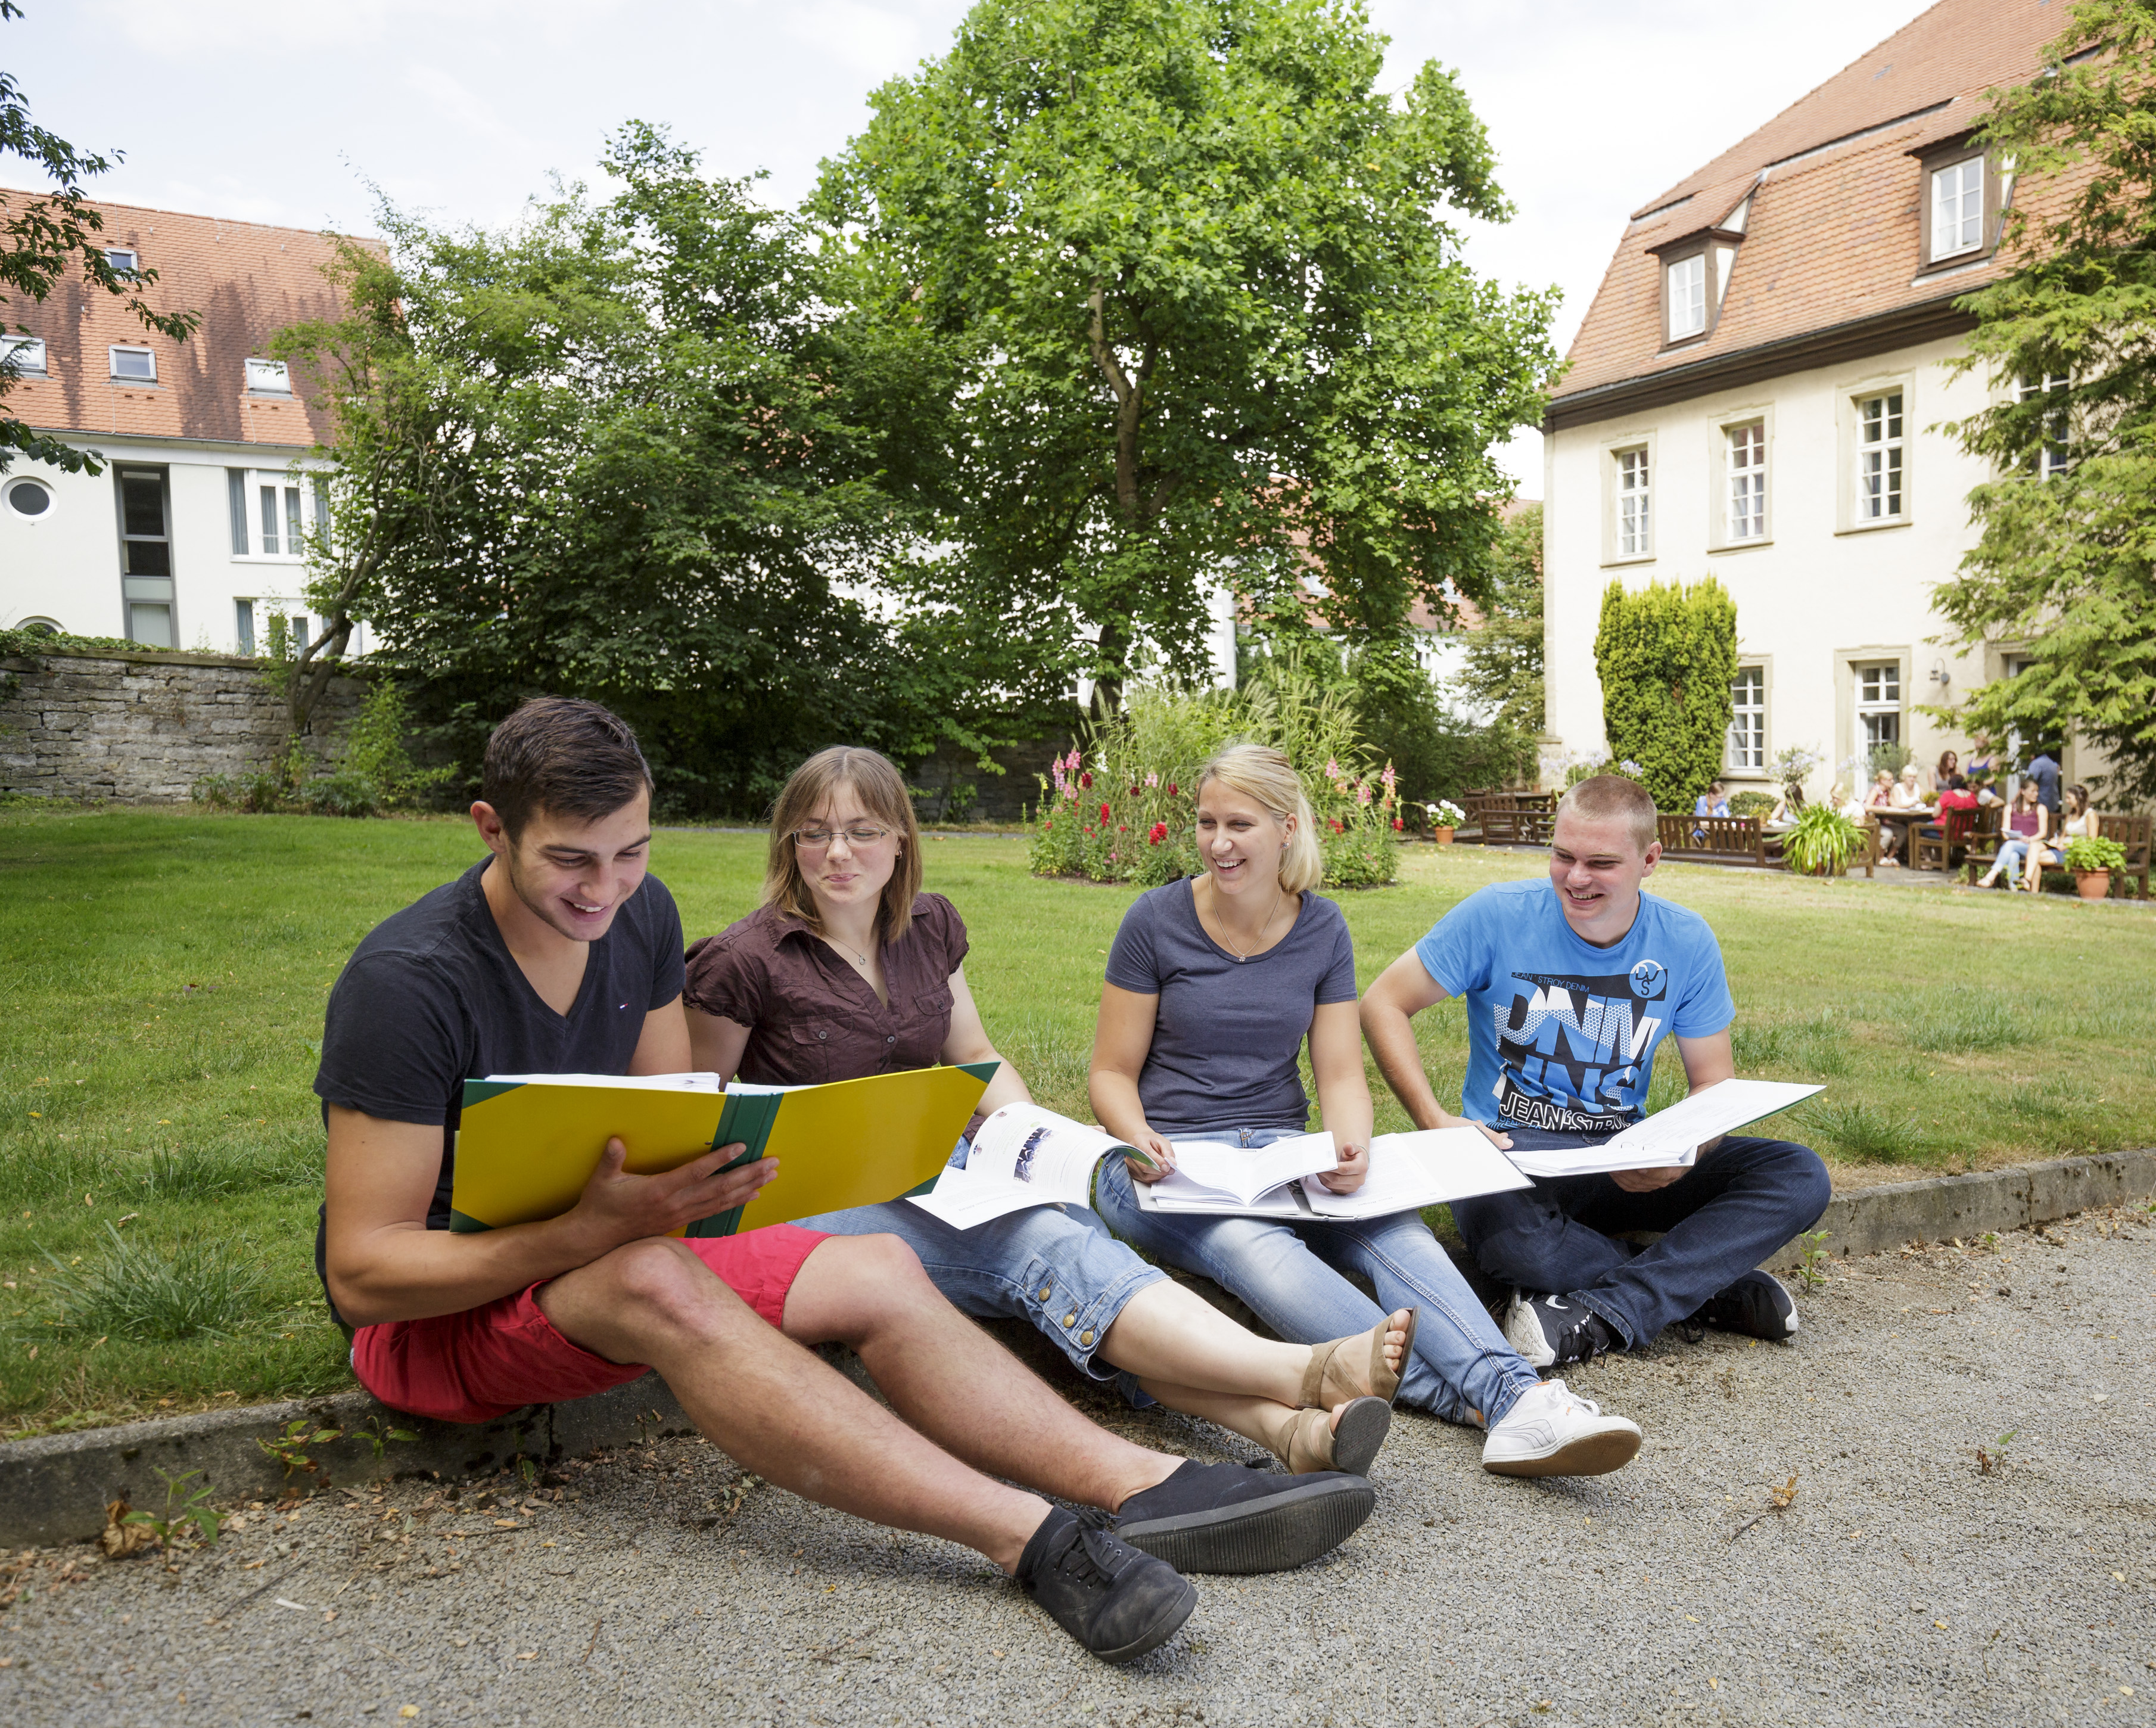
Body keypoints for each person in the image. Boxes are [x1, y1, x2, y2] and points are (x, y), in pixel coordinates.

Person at [314, 700, 1370, 1668]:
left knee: (876, 1266)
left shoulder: (639, 918)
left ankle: (1140, 1485)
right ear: (490, 829)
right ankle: (1031, 1537)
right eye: (569, 860)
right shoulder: (410, 984)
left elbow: (670, 1117)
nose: (604, 888)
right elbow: (365, 1280)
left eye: (631, 852)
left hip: (604, 1246)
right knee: (655, 1278)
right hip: (448, 1315)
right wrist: (591, 1229)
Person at [684, 745, 1406, 1480]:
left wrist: (1038, 1137)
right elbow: (695, 1111)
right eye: (814, 833)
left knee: (1080, 1239)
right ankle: (1303, 1372)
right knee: (1040, 1247)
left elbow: (974, 1055)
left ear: (900, 839)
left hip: (936, 1165)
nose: (837, 852)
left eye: (862, 831)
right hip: (818, 1194)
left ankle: (1287, 1433)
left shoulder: (927, 927)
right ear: (789, 843)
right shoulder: (744, 959)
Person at [1091, 745, 1643, 1478]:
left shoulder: (1321, 929)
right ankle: (1490, 1402)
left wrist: (1348, 1145)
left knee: (1395, 1230)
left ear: (1286, 828)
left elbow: (1342, 1075)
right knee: (1260, 1253)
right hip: (1166, 1166)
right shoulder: (1155, 922)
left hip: (1279, 1151)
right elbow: (1110, 1073)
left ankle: (1513, 1399)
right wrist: (1137, 1137)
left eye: (1239, 824)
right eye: (1206, 822)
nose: (1219, 843)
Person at [1359, 772, 1833, 1371]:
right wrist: (1434, 1121)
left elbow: (1715, 1084)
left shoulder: (1685, 940)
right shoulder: (1498, 914)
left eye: (1601, 863)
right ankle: (1708, 1290)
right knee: (1515, 1242)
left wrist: (1685, 1148)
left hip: (1621, 1158)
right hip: (1510, 1154)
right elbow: (1382, 1003)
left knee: (1799, 1174)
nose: (1576, 878)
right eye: (1563, 856)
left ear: (1649, 860)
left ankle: (1616, 1302)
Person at [2026, 784, 2098, 893]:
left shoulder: (2090, 815)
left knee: (2035, 859)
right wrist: (2056, 841)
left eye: (2069, 798)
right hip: (2062, 848)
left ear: (2079, 798)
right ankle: (2028, 883)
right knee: (2035, 846)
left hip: (2074, 851)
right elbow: (2064, 835)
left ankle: (2031, 888)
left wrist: (2068, 845)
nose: (2066, 801)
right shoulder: (2071, 814)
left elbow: (2092, 840)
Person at [1979, 776, 2048, 889]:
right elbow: (2005, 832)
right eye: (2033, 791)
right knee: (2013, 855)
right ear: (2023, 791)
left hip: (2031, 847)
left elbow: (2043, 833)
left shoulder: (2040, 808)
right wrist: (2013, 838)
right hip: (2014, 844)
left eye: (2037, 791)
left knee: (2010, 845)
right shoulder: (2010, 808)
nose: (2036, 794)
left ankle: (1991, 875)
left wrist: (2028, 839)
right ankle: (2014, 889)